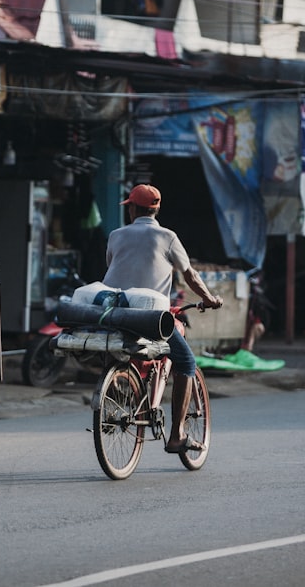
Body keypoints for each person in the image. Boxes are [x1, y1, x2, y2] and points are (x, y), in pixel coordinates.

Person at [102, 184, 223, 454]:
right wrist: (209, 298)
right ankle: (177, 435)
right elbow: (189, 274)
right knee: (187, 361)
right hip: (151, 316)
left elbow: (113, 267)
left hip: (113, 312)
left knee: (117, 349)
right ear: (156, 210)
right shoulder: (167, 236)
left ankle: (115, 395)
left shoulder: (116, 235)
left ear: (133, 209)